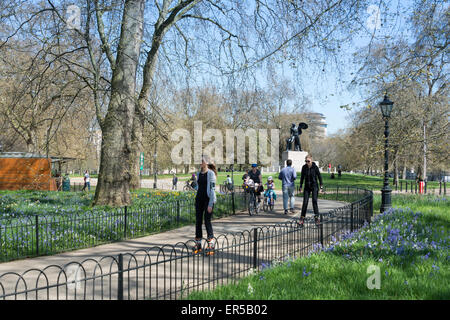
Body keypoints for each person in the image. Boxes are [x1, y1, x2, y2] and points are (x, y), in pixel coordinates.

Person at [192, 155, 217, 255]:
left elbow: (212, 189)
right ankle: (198, 242)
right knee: (198, 221)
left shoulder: (211, 174)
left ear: (206, 162)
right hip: (199, 200)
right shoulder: (199, 173)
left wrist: (210, 204)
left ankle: (210, 242)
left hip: (208, 200)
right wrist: (194, 185)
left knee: (207, 221)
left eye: (201, 161)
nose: (200, 162)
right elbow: (199, 187)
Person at [298, 155, 323, 227]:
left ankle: (317, 219)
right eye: (306, 161)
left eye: (308, 161)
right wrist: (300, 186)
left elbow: (319, 177)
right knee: (305, 202)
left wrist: (321, 187)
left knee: (314, 201)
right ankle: (302, 219)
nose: (307, 163)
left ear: (311, 161)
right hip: (307, 186)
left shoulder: (315, 167)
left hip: (314, 186)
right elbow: (302, 177)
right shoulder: (304, 167)